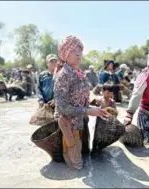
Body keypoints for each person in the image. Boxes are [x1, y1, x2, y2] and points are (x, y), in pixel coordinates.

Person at [54, 35, 109, 170]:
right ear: (65, 54)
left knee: (85, 159)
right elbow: (62, 108)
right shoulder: (64, 75)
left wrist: (93, 107)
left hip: (81, 123)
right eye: (74, 51)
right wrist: (88, 111)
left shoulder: (79, 73)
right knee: (76, 166)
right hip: (68, 126)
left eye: (80, 51)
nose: (78, 54)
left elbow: (80, 100)